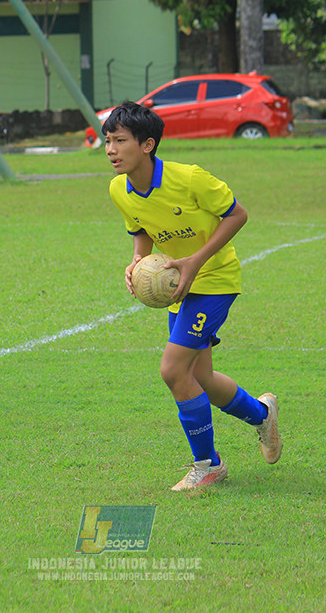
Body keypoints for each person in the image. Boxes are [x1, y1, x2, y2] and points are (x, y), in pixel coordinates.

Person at [105, 101, 281, 492]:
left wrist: (195, 262)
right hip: (177, 285)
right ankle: (262, 414)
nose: (111, 150)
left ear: (147, 144)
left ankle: (209, 464)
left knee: (172, 370)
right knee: (198, 375)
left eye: (120, 141)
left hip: (214, 279)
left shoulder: (191, 179)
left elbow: (237, 215)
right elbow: (141, 229)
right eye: (108, 141)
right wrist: (137, 261)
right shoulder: (120, 189)